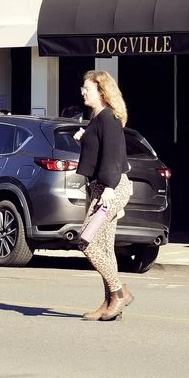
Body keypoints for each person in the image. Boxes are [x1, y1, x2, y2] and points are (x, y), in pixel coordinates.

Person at [74, 68, 136, 322]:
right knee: (106, 249)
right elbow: (99, 151)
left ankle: (119, 293)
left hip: (111, 189)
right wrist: (83, 139)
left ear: (101, 91)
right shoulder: (96, 116)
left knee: (86, 242)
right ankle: (110, 301)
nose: (83, 92)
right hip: (101, 188)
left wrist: (109, 189)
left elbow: (112, 155)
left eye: (87, 88)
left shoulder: (108, 118)